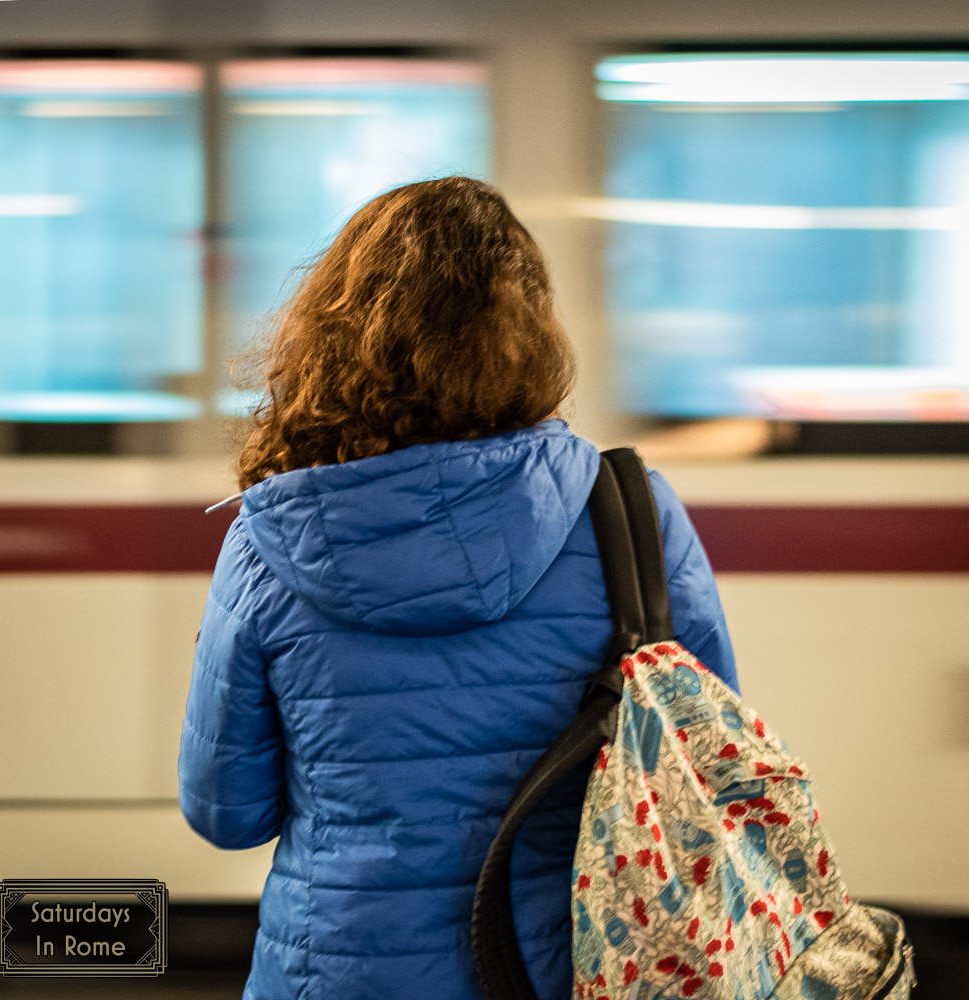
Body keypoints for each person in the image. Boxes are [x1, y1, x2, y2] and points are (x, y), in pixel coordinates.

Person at [178, 175, 739, 1000]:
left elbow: (227, 813)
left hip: (335, 973)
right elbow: (706, 765)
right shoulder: (631, 513)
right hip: (562, 971)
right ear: (533, 334)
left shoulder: (267, 543)